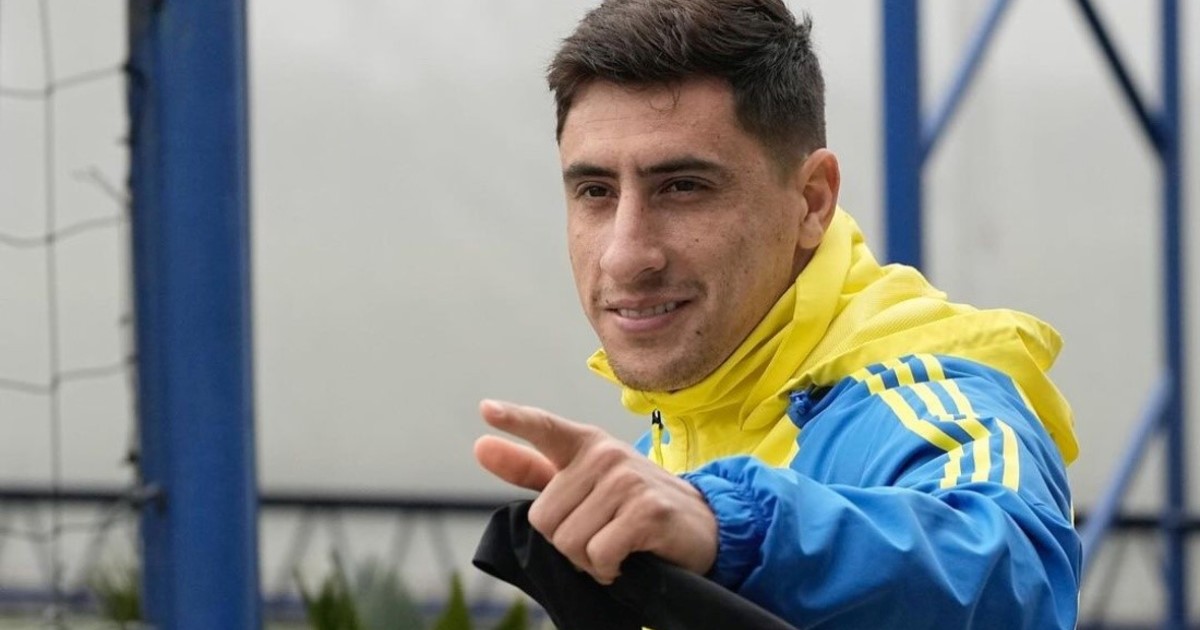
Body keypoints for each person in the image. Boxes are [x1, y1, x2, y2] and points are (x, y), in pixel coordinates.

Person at [473, 0, 1080, 627]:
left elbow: (1013, 573)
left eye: (683, 187)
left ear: (812, 201)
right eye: (595, 191)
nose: (625, 256)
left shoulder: (921, 397)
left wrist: (728, 527)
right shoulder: (668, 442)